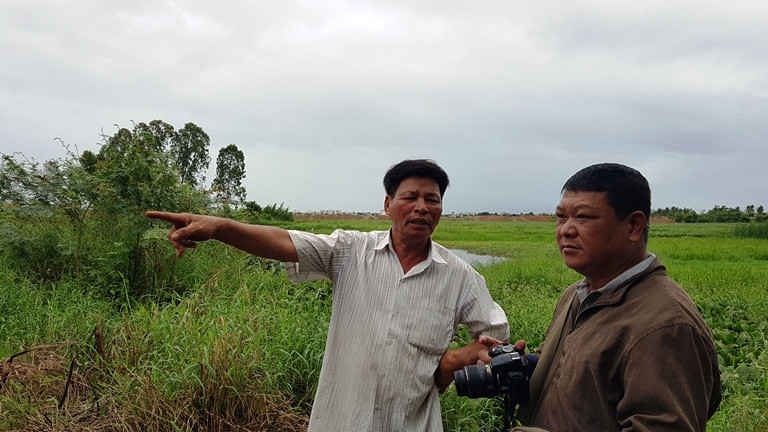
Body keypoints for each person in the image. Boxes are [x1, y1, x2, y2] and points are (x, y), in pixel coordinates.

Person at [146, 159, 509, 431]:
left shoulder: (460, 277)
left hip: (411, 424)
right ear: (387, 205)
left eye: (432, 199)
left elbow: (493, 338)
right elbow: (284, 242)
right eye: (410, 197)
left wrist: (456, 360)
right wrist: (220, 227)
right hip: (339, 420)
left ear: (441, 208)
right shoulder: (351, 250)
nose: (421, 207)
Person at [512, 163, 721, 431]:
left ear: (634, 226)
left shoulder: (665, 325)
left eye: (583, 217)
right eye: (561, 217)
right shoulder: (577, 296)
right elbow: (577, 373)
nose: (566, 230)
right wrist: (524, 368)